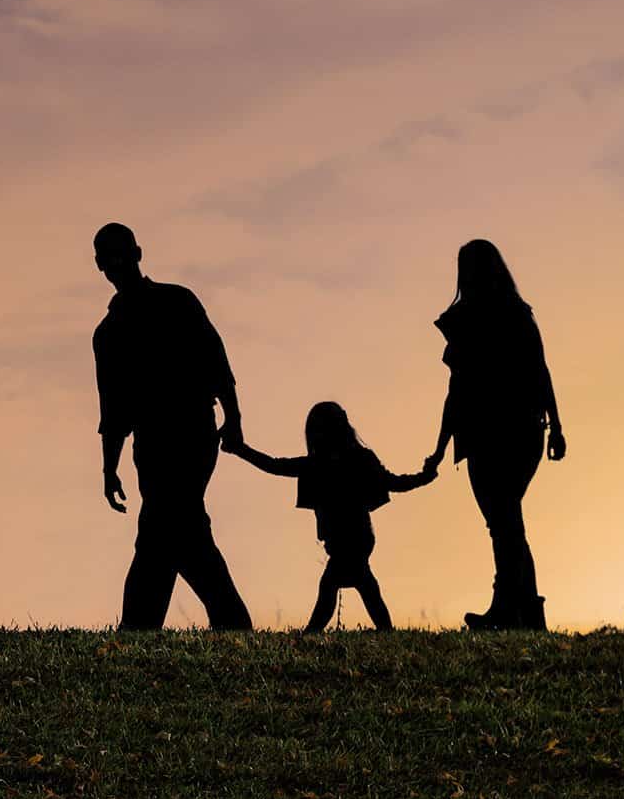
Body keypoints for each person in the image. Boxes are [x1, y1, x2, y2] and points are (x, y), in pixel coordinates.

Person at [91, 222, 254, 631]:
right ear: (99, 265)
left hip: (193, 431)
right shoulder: (107, 333)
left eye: (120, 254)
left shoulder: (178, 301)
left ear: (138, 253)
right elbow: (113, 410)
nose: (115, 264)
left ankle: (141, 632)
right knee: (174, 531)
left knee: (166, 525)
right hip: (151, 443)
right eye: (107, 257)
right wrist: (109, 468)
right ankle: (224, 626)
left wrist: (233, 420)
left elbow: (217, 363)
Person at [423, 239, 566, 631]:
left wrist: (557, 426)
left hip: (500, 432)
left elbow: (462, 391)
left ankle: (507, 610)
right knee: (507, 522)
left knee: (504, 521)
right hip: (514, 431)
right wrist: (557, 427)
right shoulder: (505, 316)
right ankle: (528, 614)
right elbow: (537, 373)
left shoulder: (482, 319)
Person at [225, 402, 435, 632]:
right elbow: (393, 482)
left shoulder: (332, 462)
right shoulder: (343, 460)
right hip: (355, 538)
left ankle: (313, 635)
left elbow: (274, 465)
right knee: (362, 584)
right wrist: (422, 478)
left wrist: (241, 450)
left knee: (333, 587)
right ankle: (383, 632)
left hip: (352, 538)